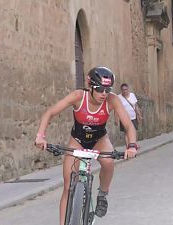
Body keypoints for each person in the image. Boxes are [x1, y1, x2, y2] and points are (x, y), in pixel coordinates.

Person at [34, 66, 137, 225]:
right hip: (78, 140)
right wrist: (40, 136)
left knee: (108, 162)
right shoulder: (78, 96)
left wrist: (131, 146)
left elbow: (129, 126)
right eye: (100, 89)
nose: (104, 94)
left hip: (99, 139)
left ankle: (102, 194)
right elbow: (50, 112)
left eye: (107, 90)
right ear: (90, 87)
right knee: (68, 187)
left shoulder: (112, 100)